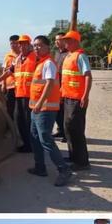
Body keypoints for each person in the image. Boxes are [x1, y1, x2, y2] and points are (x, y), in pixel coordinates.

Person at [28, 35, 72, 187]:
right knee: (34, 137)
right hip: (36, 108)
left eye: (39, 45)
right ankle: (40, 167)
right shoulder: (40, 63)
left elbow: (49, 84)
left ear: (47, 47)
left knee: (45, 139)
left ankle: (64, 169)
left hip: (45, 108)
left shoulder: (48, 63)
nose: (36, 48)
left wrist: (40, 103)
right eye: (34, 46)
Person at [0, 34, 37, 153]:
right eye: (20, 44)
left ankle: (31, 145)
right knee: (20, 119)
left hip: (31, 95)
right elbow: (9, 72)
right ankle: (26, 144)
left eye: (25, 44)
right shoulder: (18, 59)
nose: (22, 46)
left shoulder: (36, 58)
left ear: (29, 45)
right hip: (19, 93)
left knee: (28, 121)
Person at [60, 30, 93, 170]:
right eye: (65, 40)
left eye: (68, 40)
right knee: (68, 128)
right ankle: (73, 156)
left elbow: (88, 76)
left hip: (77, 99)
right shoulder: (69, 56)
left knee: (76, 130)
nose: (65, 42)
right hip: (68, 98)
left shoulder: (80, 56)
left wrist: (85, 96)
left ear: (75, 41)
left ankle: (82, 162)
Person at [53, 32, 68, 142]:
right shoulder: (56, 53)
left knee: (64, 111)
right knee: (57, 111)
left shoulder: (69, 54)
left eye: (59, 39)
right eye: (56, 40)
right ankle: (60, 130)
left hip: (65, 85)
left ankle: (66, 134)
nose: (57, 42)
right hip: (56, 85)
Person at [2, 35, 21, 120]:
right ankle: (10, 127)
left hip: (21, 86)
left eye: (15, 43)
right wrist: (3, 84)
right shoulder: (8, 56)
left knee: (19, 109)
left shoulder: (23, 55)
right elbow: (4, 70)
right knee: (9, 108)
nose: (13, 45)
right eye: (11, 43)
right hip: (10, 86)